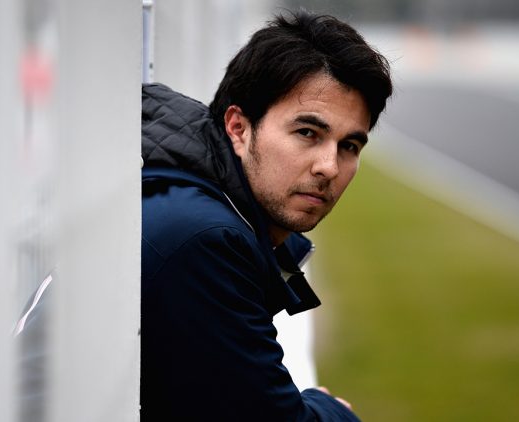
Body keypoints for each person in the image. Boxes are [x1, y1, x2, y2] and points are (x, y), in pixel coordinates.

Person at [141, 11, 392, 421]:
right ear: (239, 128)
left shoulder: (209, 208)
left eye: (349, 146)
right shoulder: (204, 238)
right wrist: (333, 410)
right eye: (307, 133)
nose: (329, 167)